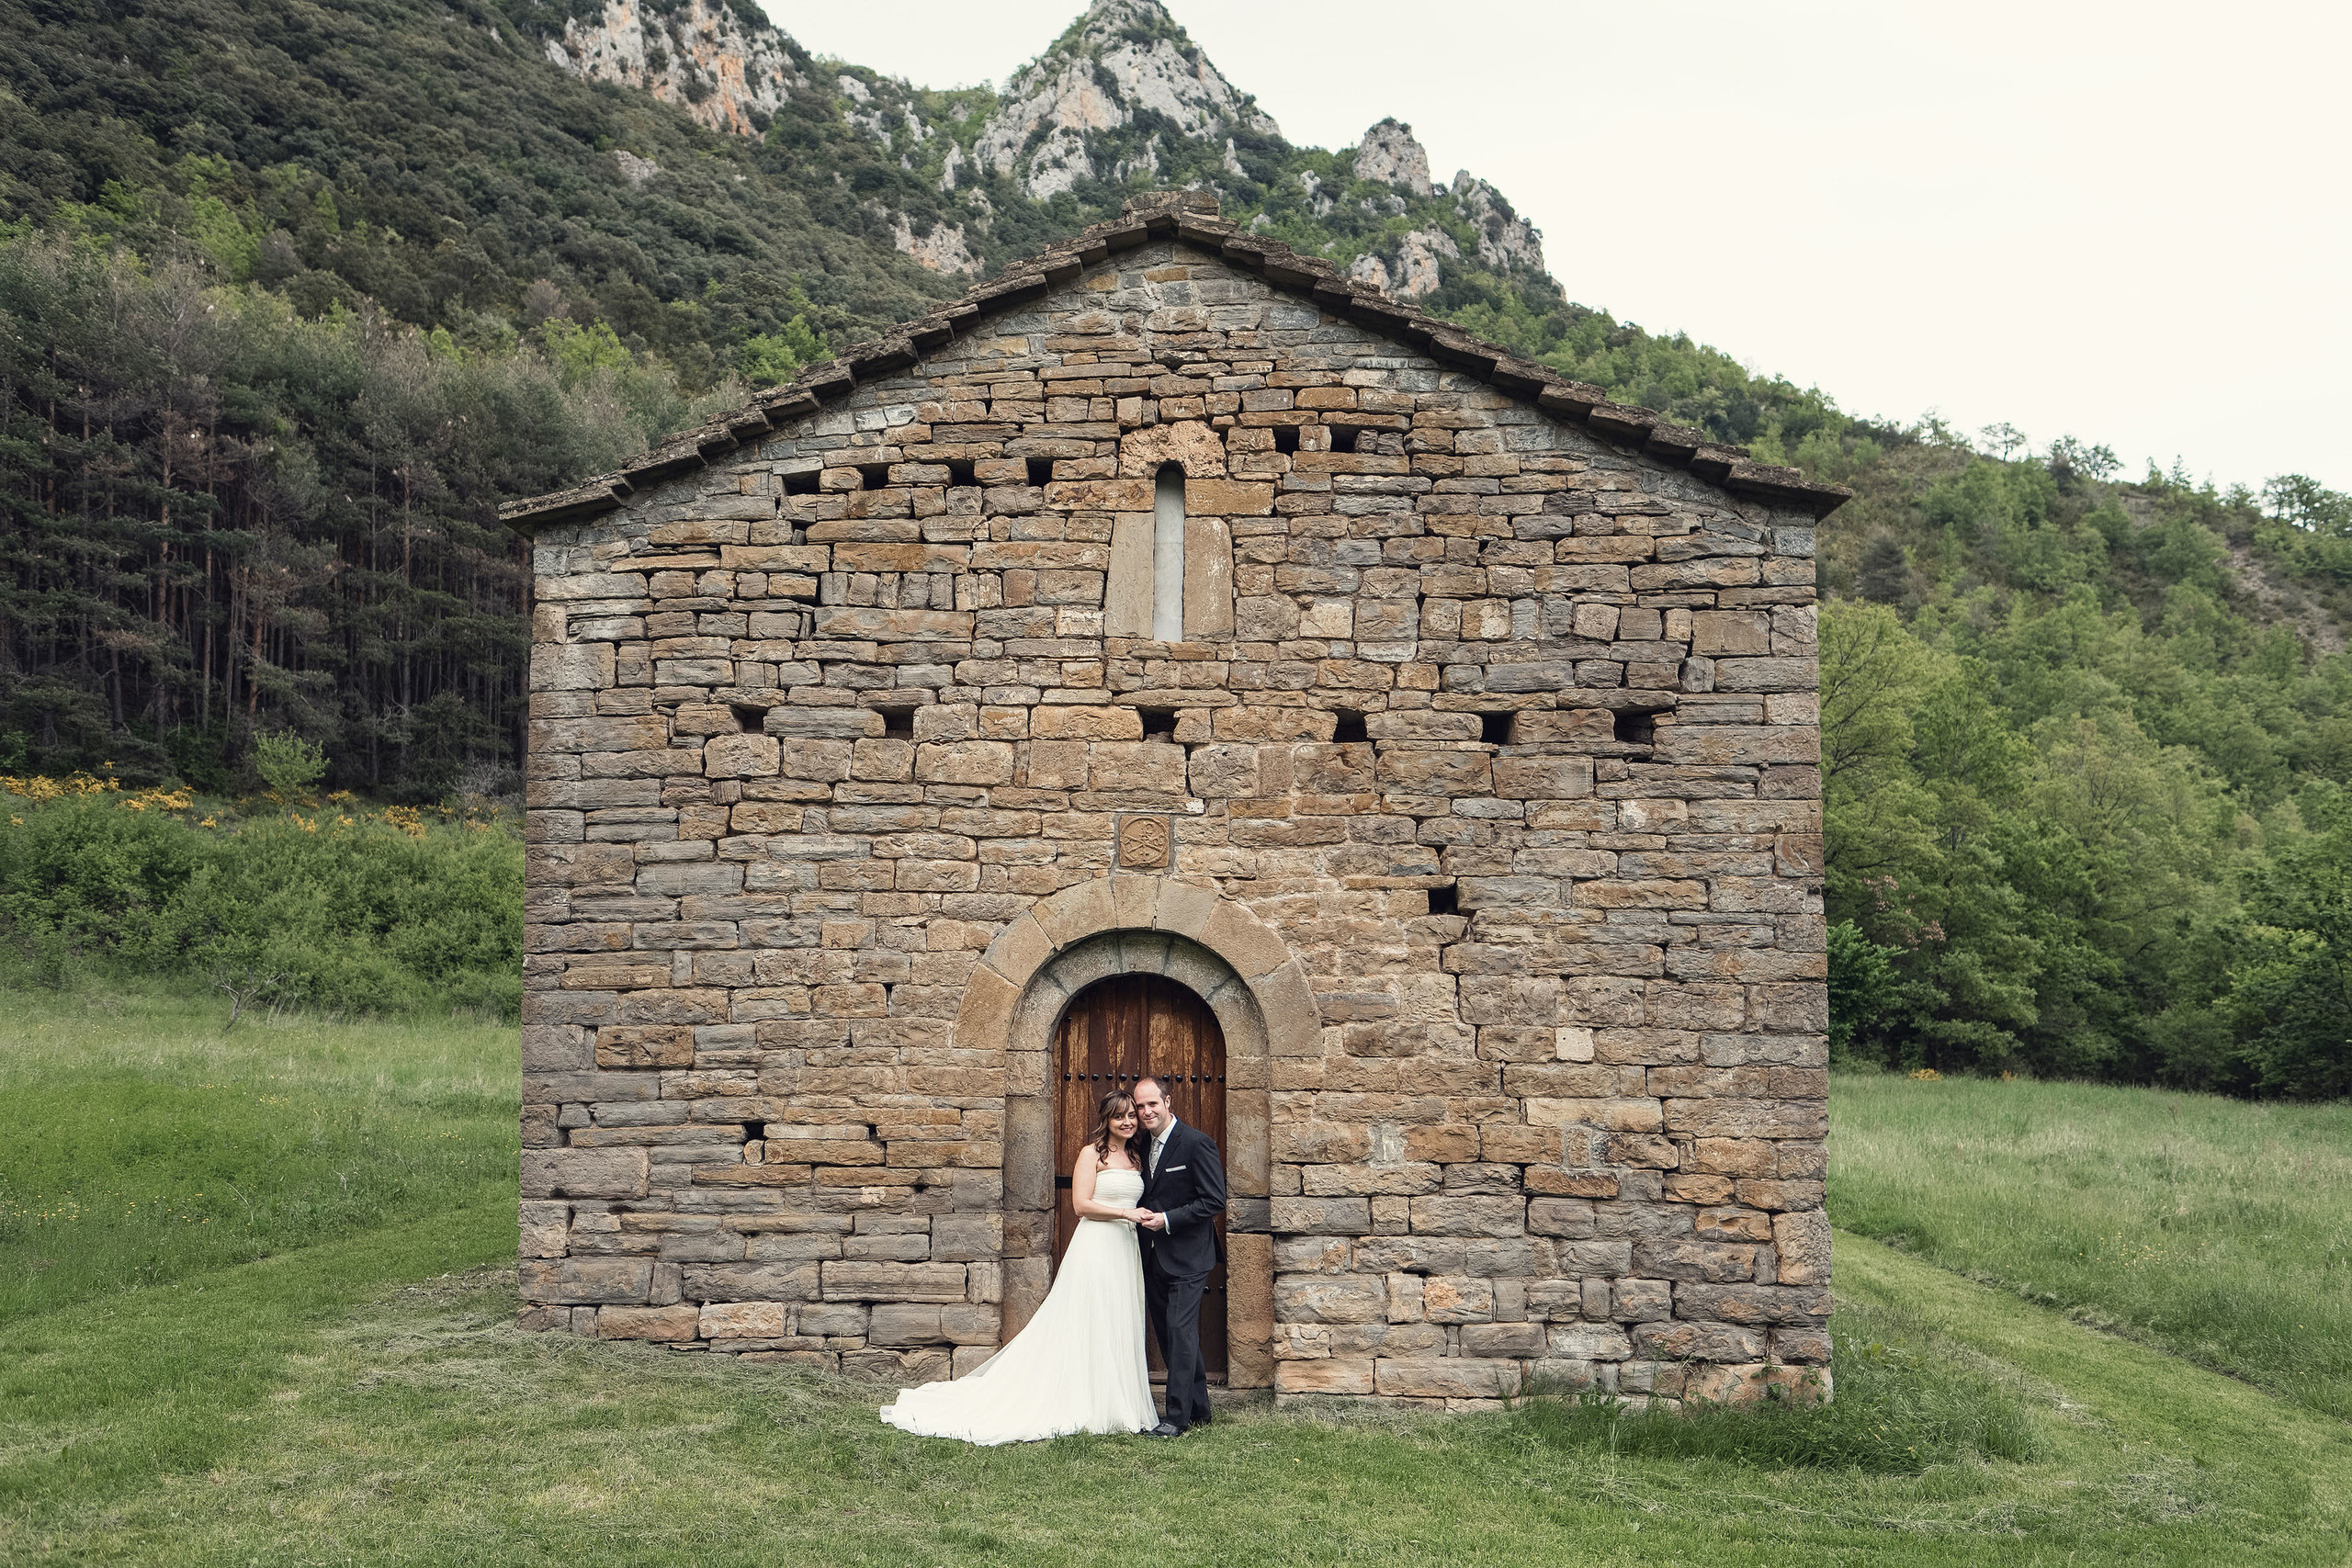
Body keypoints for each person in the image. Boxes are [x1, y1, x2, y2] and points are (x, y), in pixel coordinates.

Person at [877, 1089, 1159, 1445]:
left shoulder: (1137, 1154)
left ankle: (1118, 1403)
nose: (1129, 1121)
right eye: (1120, 1116)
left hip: (1125, 1247)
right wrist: (1125, 1213)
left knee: (1117, 1319)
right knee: (1091, 1316)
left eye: (1132, 1115)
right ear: (1106, 1119)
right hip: (1097, 1245)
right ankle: (1085, 1401)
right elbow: (1081, 1205)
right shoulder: (1092, 1154)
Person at [1132, 1073, 1227, 1436]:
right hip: (1153, 1256)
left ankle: (1175, 1418)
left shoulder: (1196, 1143)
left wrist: (1168, 1219)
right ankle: (1200, 1409)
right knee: (1172, 1335)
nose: (1145, 1112)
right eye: (1140, 1106)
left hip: (1188, 1256)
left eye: (1152, 1103)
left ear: (1168, 1102)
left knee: (1180, 1330)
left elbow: (1213, 1201)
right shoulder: (1141, 1146)